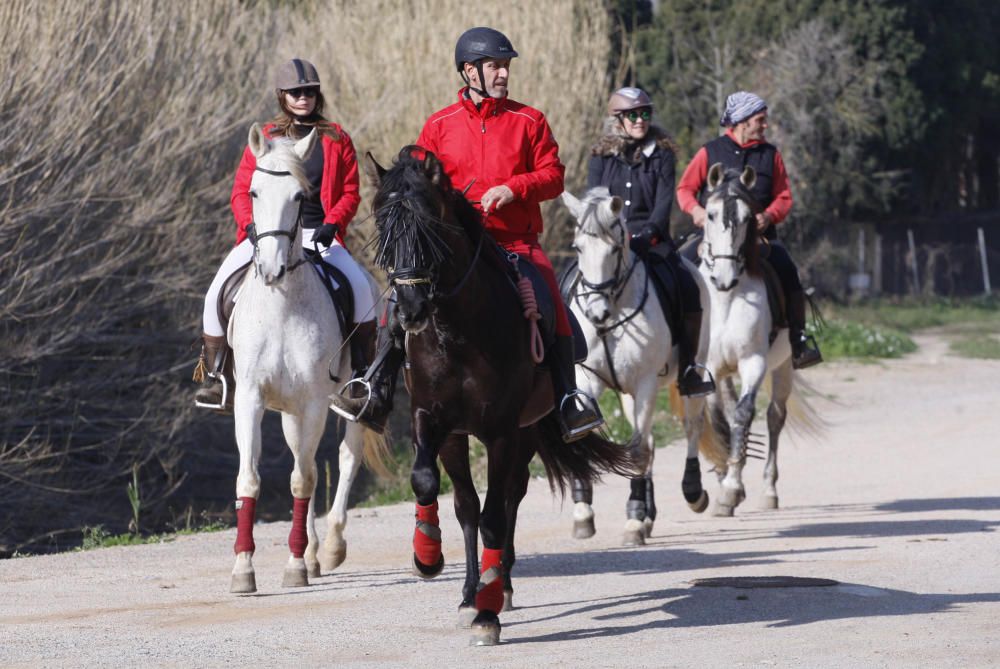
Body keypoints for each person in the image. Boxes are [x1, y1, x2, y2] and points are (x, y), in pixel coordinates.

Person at [329, 27, 603, 442]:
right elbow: (418, 182)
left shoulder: (530, 120)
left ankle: (568, 399)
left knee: (551, 294)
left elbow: (554, 177)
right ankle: (374, 385)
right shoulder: (439, 125)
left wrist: (514, 188)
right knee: (398, 293)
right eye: (494, 66)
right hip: (452, 249)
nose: (503, 74)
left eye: (506, 66)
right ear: (469, 72)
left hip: (514, 244)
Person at [193, 58, 377, 409]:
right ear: (283, 96)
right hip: (265, 236)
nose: (304, 97)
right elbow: (240, 191)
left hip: (319, 234)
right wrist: (249, 225)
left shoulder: (336, 138)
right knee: (215, 293)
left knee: (362, 291)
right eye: (296, 92)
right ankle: (218, 376)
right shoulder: (265, 138)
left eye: (309, 91)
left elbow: (351, 191)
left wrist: (333, 224)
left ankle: (360, 378)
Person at [676, 91, 822, 369]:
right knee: (679, 267)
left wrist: (768, 216)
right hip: (715, 237)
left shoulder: (771, 155)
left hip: (760, 238)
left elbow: (784, 196)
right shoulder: (710, 151)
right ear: (742, 121)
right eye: (760, 120)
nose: (765, 125)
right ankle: (680, 343)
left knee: (788, 270)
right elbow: (685, 189)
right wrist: (696, 212)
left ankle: (799, 341)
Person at [587, 86, 715, 396]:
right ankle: (573, 371)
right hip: (609, 243)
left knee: (687, 285)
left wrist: (644, 235)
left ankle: (688, 369)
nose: (641, 120)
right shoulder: (600, 156)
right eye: (633, 115)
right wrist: (612, 237)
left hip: (652, 240)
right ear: (618, 119)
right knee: (572, 283)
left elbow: (662, 205)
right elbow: (596, 202)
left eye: (645, 113)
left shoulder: (662, 154)